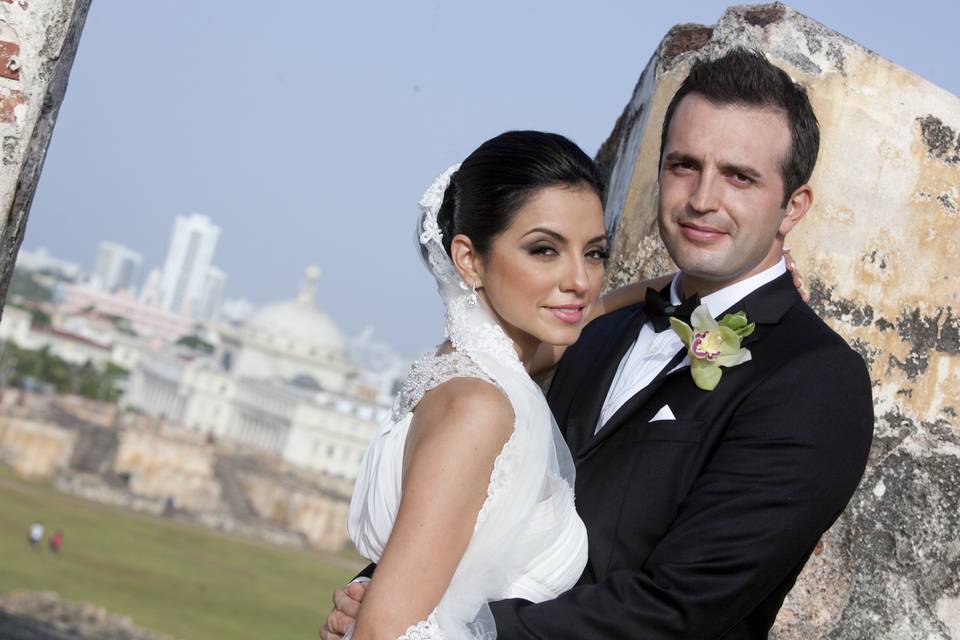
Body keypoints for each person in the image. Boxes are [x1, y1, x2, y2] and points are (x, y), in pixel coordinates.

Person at [325, 48, 872, 639]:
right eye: (684, 165)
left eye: (739, 176)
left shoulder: (815, 380)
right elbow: (482, 508)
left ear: (793, 206)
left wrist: (443, 632)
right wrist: (379, 597)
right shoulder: (587, 332)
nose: (702, 199)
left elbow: (678, 606)